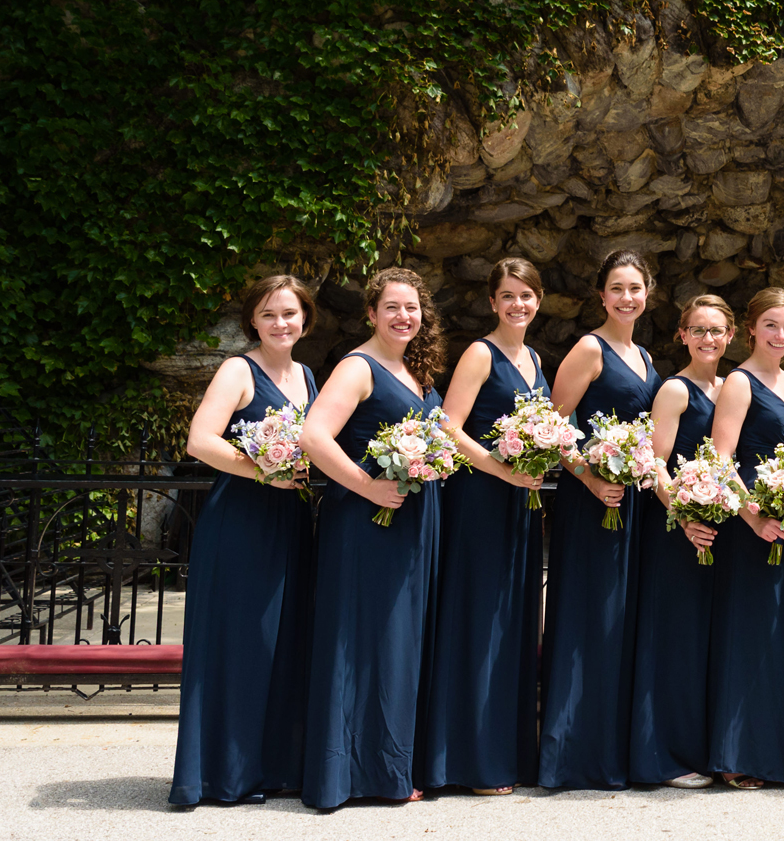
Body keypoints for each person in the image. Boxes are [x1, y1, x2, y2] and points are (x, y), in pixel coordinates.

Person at [170, 276, 320, 807]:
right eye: (269, 314)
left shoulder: (307, 374)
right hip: (242, 522)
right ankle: (222, 774)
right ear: (252, 321)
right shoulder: (239, 369)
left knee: (283, 643)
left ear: (306, 318)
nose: (281, 323)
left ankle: (275, 765)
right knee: (241, 642)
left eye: (290, 313)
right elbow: (200, 440)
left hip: (292, 521)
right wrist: (262, 471)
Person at [300, 267, 447, 809]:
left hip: (410, 522)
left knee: (398, 643)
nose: (404, 317)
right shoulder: (357, 367)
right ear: (371, 313)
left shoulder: (416, 371)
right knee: (364, 638)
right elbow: (314, 436)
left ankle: (390, 765)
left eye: (412, 308)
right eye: (392, 307)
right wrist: (367, 487)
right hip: (367, 524)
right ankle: (352, 773)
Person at [421, 258, 549, 796]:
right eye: (508, 296)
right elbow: (447, 429)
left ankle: (508, 752)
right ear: (492, 302)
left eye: (527, 295)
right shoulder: (480, 353)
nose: (518, 304)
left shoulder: (535, 358)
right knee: (478, 621)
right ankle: (470, 760)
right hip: (480, 501)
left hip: (519, 506)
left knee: (511, 623)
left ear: (539, 300)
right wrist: (504, 470)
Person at [539, 250, 659, 791]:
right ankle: (571, 754)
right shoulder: (590, 348)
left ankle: (614, 748)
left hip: (631, 502)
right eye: (617, 288)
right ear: (601, 294)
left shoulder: (646, 357)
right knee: (587, 615)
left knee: (619, 620)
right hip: (591, 501)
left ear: (647, 293)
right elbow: (553, 427)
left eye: (635, 288)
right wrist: (589, 477)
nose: (626, 298)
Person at [629, 294, 734, 790]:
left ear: (731, 336)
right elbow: (655, 464)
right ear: (682, 336)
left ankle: (707, 747)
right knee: (676, 639)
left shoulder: (729, 389)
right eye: (698, 330)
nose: (708, 338)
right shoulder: (675, 390)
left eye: (716, 330)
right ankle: (667, 756)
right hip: (678, 530)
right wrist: (686, 517)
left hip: (719, 529)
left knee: (707, 640)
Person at [706, 289, 784, 788]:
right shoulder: (740, 383)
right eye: (771, 325)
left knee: (774, 635)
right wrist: (752, 518)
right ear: (750, 328)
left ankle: (773, 749)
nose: (781, 335)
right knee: (747, 634)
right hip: (750, 527)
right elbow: (720, 459)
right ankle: (737, 755)